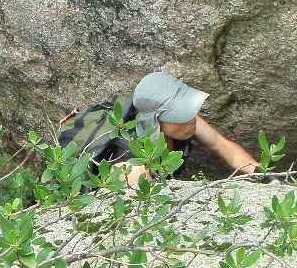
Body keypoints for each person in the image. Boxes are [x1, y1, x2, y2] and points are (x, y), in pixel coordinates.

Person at [61, 72, 260, 187]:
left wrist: (263, 176)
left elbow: (222, 145)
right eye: (180, 116)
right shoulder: (131, 167)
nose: (192, 120)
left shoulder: (185, 122)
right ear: (156, 122)